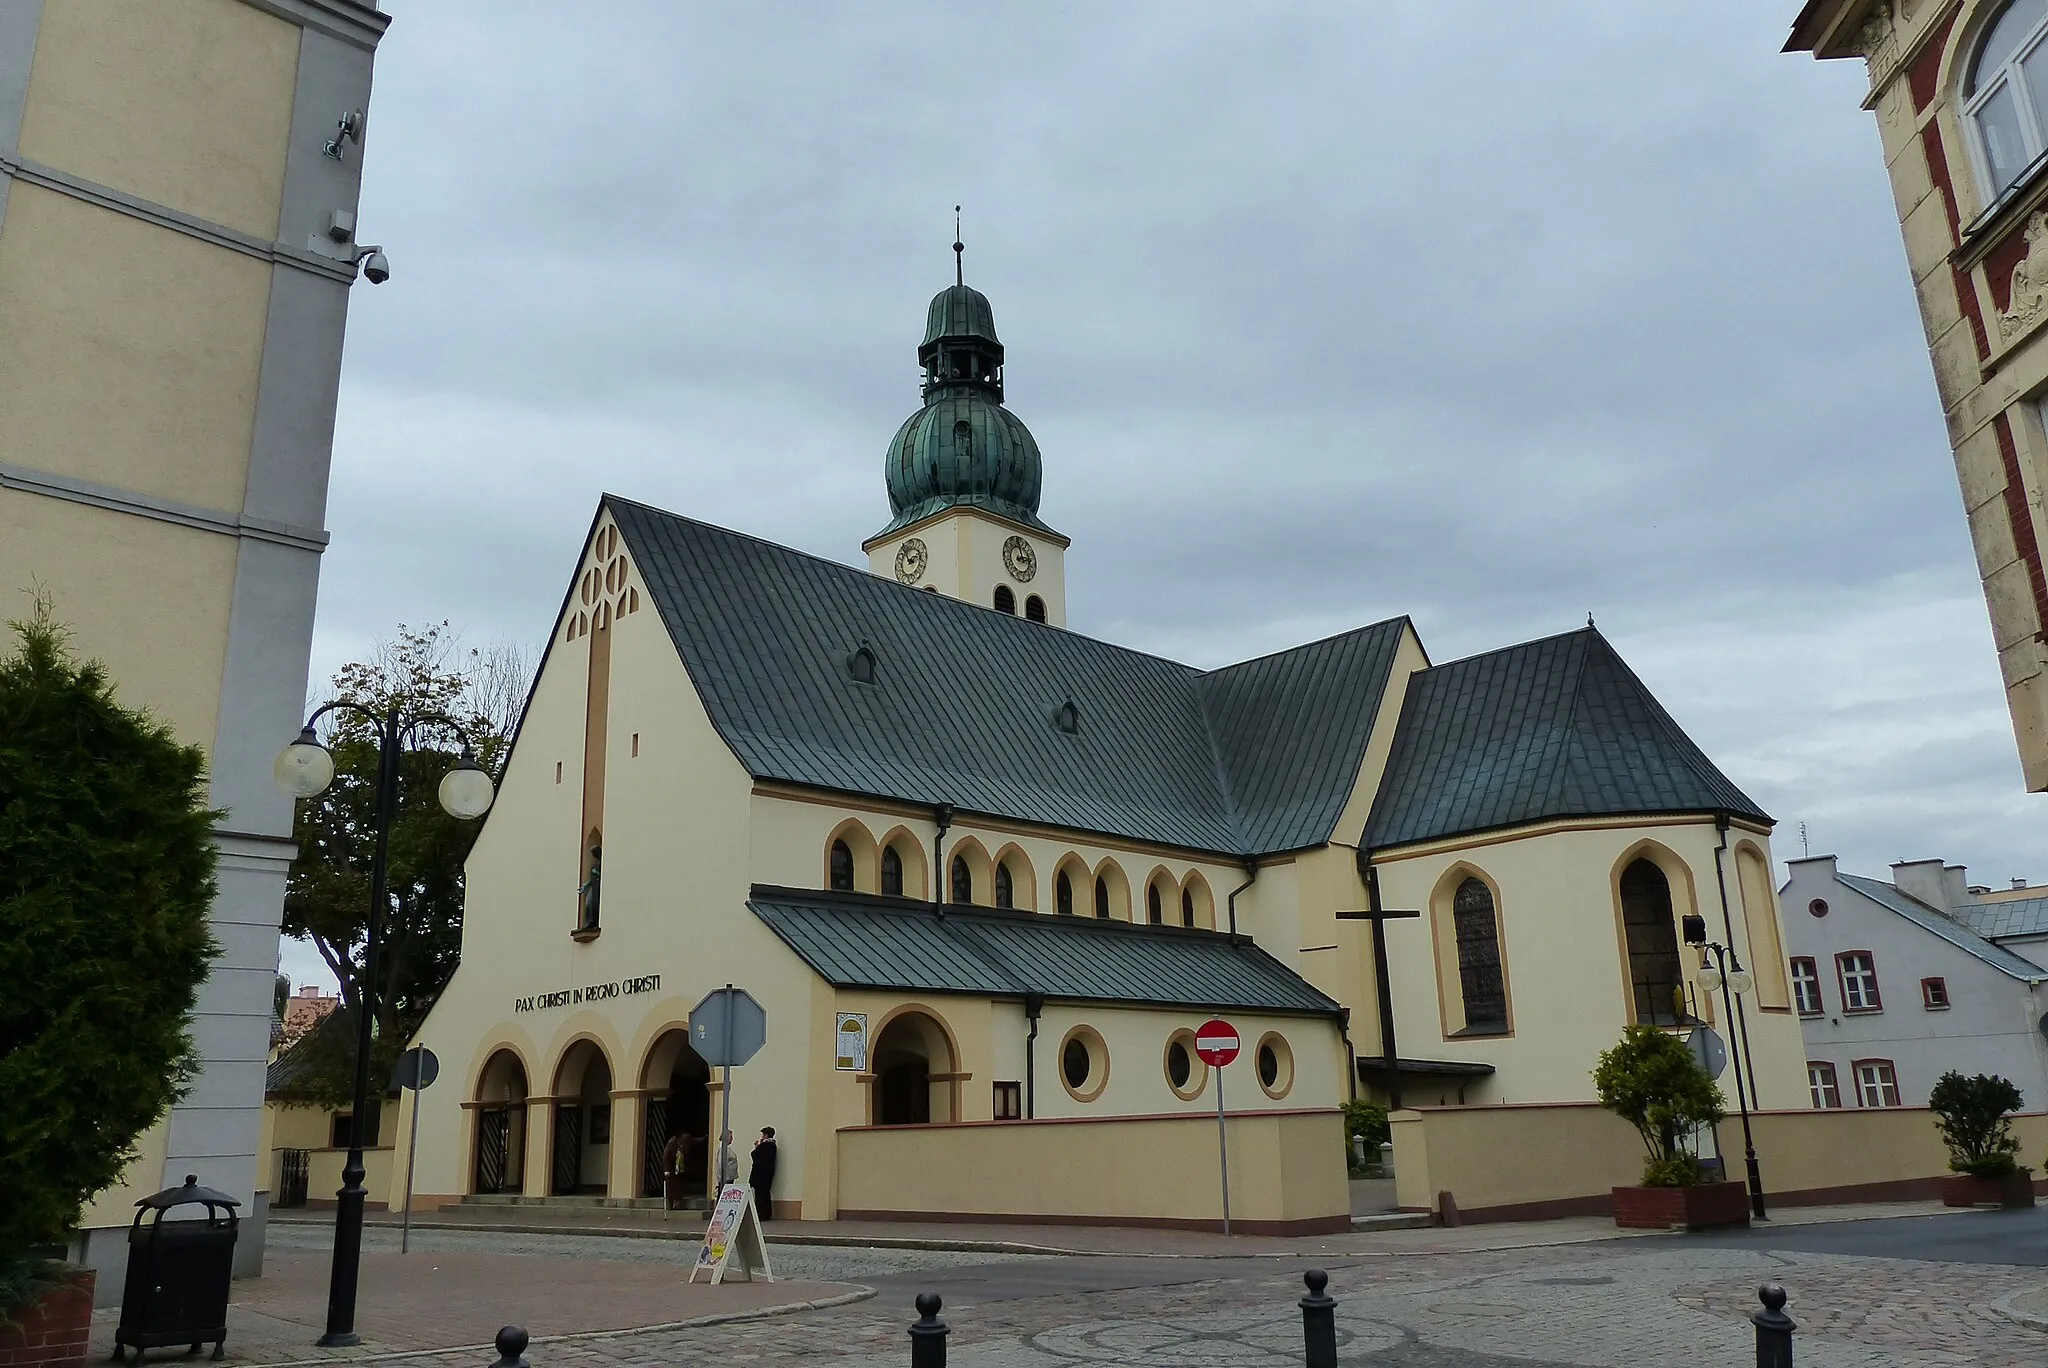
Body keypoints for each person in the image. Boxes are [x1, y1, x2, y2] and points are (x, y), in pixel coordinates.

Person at [749, 1126, 778, 1221]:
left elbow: (755, 1155)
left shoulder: (765, 1146)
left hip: (760, 1174)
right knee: (765, 1193)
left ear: (766, 1135)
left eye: (763, 1134)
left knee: (760, 1195)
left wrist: (757, 1146)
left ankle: (761, 1214)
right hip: (768, 1173)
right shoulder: (773, 1146)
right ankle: (767, 1213)